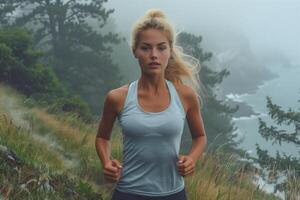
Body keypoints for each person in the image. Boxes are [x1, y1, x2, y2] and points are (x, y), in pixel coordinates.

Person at [95, 9, 207, 200]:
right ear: (135, 51)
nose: (153, 55)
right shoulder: (117, 97)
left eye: (161, 48)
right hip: (128, 193)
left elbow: (200, 136)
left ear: (170, 51)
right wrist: (106, 162)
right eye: (145, 48)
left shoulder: (186, 96)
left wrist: (192, 158)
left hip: (174, 194)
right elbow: (102, 138)